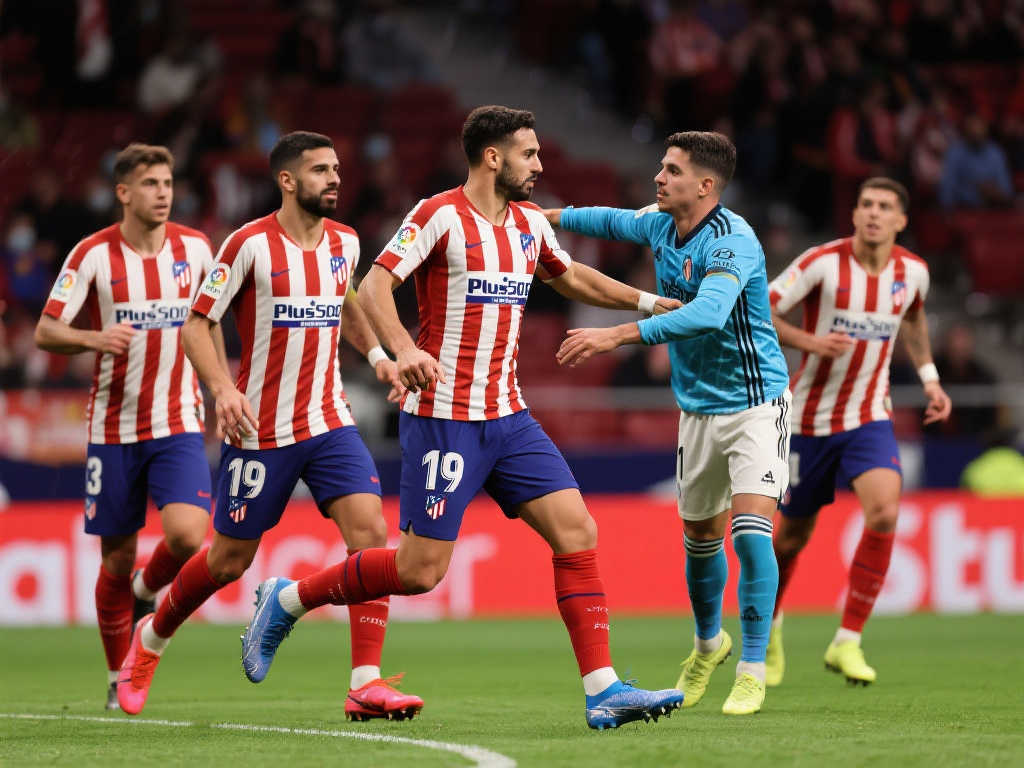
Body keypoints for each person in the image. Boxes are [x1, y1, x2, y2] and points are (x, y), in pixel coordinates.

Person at [241, 105, 685, 731]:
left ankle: (603, 689)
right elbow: (375, 286)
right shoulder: (438, 215)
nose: (539, 165)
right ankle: (288, 599)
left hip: (509, 416)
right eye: (529, 154)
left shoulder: (528, 222)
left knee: (577, 531)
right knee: (419, 571)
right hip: (444, 418)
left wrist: (649, 302)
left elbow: (571, 278)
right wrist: (404, 350)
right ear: (493, 158)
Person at [116, 131, 424, 722]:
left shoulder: (345, 240)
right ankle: (151, 639)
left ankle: (364, 682)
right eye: (320, 170)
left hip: (329, 420)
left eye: (336, 169)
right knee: (228, 561)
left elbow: (345, 302)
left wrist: (379, 356)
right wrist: (223, 389)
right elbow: (197, 324)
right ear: (287, 180)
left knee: (369, 532)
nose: (335, 179)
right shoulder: (248, 245)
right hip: (260, 429)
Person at [544, 130, 792, 716]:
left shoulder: (733, 241)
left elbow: (709, 313)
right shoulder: (661, 224)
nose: (658, 177)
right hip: (697, 408)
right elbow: (608, 220)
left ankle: (752, 669)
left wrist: (618, 334)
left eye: (672, 170)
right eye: (662, 167)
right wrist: (542, 215)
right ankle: (708, 645)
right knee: (701, 540)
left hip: (756, 404)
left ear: (705, 185)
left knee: (750, 533)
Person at [34, 144, 221, 710]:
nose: (163, 193)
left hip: (178, 419)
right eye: (150, 184)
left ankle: (147, 588)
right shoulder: (92, 254)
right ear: (123, 193)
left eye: (167, 183)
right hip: (113, 429)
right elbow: (46, 330)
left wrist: (221, 389)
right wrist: (94, 337)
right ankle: (119, 678)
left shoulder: (196, 248)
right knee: (115, 559)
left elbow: (208, 321)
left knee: (188, 535)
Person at [766, 177, 952, 687]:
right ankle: (770, 631)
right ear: (854, 214)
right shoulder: (821, 262)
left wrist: (931, 379)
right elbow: (761, 307)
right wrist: (810, 341)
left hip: (869, 415)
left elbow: (914, 321)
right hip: (806, 420)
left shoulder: (914, 272)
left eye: (884, 206)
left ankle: (847, 640)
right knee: (791, 539)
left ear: (901, 220)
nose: (873, 213)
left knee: (886, 511)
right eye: (866, 204)